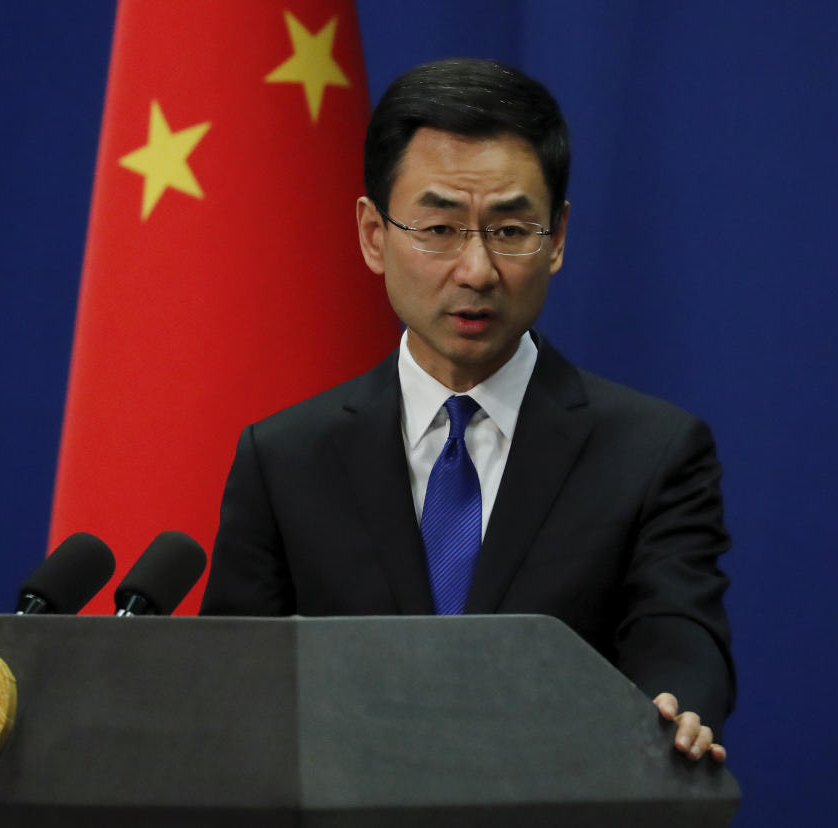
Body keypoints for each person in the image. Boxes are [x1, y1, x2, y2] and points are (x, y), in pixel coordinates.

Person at [200, 58, 733, 762]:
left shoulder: (652, 451)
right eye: (440, 228)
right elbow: (233, 691)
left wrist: (675, 703)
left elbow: (678, 633)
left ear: (558, 239)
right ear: (372, 234)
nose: (477, 269)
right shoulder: (287, 459)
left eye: (511, 231)